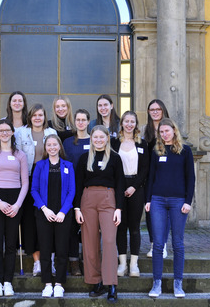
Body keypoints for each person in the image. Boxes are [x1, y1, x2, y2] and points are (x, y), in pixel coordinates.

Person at [74, 125, 125, 303]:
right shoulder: (83, 158)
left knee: (109, 241)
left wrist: (119, 208)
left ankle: (111, 284)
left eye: (101, 137)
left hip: (108, 199)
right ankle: (96, 281)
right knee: (90, 242)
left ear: (107, 138)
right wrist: (77, 208)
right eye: (95, 137)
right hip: (87, 200)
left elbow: (120, 184)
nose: (98, 140)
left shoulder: (115, 158)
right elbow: (78, 184)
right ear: (91, 139)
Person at [145, 118, 195, 299]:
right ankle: (156, 283)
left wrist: (188, 201)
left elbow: (191, 178)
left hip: (178, 201)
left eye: (167, 130)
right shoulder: (157, 151)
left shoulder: (185, 151)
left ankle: (178, 284)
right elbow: (150, 177)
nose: (164, 134)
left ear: (174, 130)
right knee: (158, 244)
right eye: (161, 132)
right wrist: (148, 199)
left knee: (178, 244)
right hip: (157, 200)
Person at [0, 119, 29, 297]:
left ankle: (8, 281)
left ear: (12, 132)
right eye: (1, 130)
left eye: (7, 130)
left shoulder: (20, 155)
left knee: (10, 244)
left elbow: (25, 183)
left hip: (15, 200)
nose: (4, 133)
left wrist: (17, 204)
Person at [31, 134, 75, 298]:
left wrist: (63, 211)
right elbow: (34, 190)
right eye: (48, 145)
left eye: (54, 145)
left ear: (59, 147)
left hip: (63, 215)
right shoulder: (40, 165)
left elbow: (72, 191)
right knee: (45, 248)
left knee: (62, 250)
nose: (51, 147)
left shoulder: (68, 166)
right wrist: (44, 209)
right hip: (44, 214)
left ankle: (59, 284)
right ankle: (48, 283)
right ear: (45, 148)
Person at [15, 103, 57, 276]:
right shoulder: (21, 133)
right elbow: (16, 154)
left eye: (40, 115)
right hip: (28, 178)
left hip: (48, 179)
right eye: (34, 115)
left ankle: (50, 260)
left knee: (48, 219)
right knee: (30, 221)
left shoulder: (51, 133)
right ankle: (37, 261)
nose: (37, 118)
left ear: (44, 117)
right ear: (30, 117)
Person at [111, 111, 149, 278]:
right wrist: (118, 187)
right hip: (118, 186)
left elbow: (145, 169)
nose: (129, 124)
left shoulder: (142, 144)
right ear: (122, 124)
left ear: (136, 124)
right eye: (126, 121)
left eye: (132, 121)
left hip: (136, 187)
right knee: (119, 227)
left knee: (134, 228)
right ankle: (122, 264)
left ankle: (134, 264)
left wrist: (134, 186)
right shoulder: (113, 142)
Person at [62, 108, 91, 276]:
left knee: (89, 227)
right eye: (78, 119)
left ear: (88, 122)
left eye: (83, 119)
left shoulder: (94, 140)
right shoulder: (67, 142)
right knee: (72, 227)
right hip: (70, 189)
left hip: (88, 188)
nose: (80, 122)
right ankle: (73, 262)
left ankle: (88, 260)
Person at [143, 99, 171, 258]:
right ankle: (154, 245)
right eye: (151, 109)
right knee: (150, 211)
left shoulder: (168, 129)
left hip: (164, 175)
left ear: (163, 110)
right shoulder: (145, 131)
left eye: (157, 109)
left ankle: (163, 245)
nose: (154, 112)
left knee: (164, 212)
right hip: (148, 176)